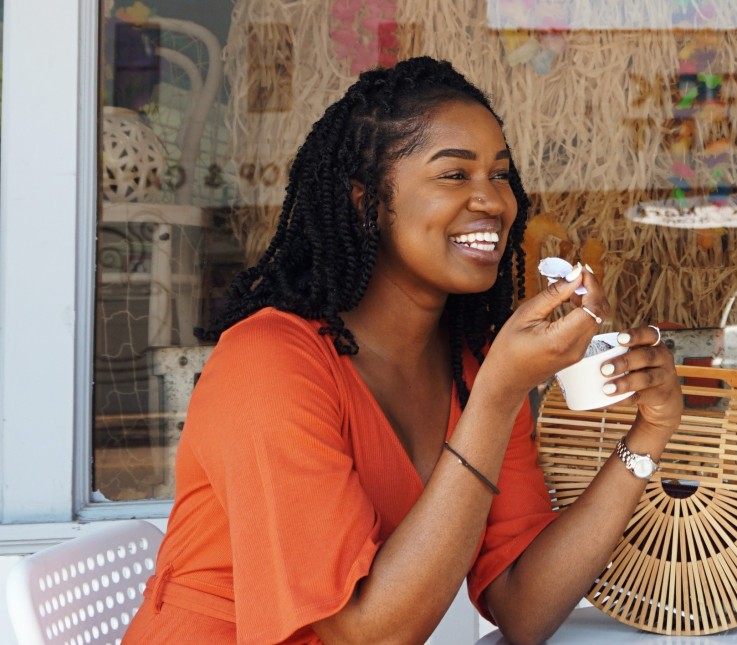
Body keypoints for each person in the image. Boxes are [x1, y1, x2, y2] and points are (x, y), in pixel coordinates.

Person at [123, 56, 682, 645]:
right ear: (369, 203)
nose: (491, 200)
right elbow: (364, 633)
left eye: (499, 174)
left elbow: (522, 604)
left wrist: (648, 432)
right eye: (453, 175)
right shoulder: (270, 364)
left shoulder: (471, 365)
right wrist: (498, 395)